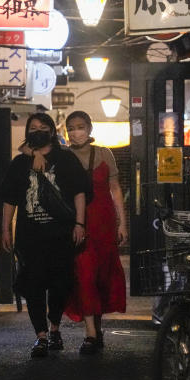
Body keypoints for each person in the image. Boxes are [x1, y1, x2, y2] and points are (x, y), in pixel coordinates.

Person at [0, 112, 89, 358]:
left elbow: (79, 192)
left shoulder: (65, 159)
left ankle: (55, 328)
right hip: (31, 237)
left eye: (42, 127)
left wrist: (80, 223)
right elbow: (9, 198)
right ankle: (40, 336)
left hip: (61, 234)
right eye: (32, 127)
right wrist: (5, 228)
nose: (37, 130)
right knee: (34, 285)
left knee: (60, 283)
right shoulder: (19, 163)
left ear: (51, 130)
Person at [62, 110, 129, 355]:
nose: (76, 131)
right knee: (84, 273)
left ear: (90, 129)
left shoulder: (104, 153)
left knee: (101, 274)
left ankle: (96, 327)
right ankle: (90, 332)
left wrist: (122, 223)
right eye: (71, 127)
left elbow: (115, 189)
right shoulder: (63, 156)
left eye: (80, 126)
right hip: (76, 223)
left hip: (104, 221)